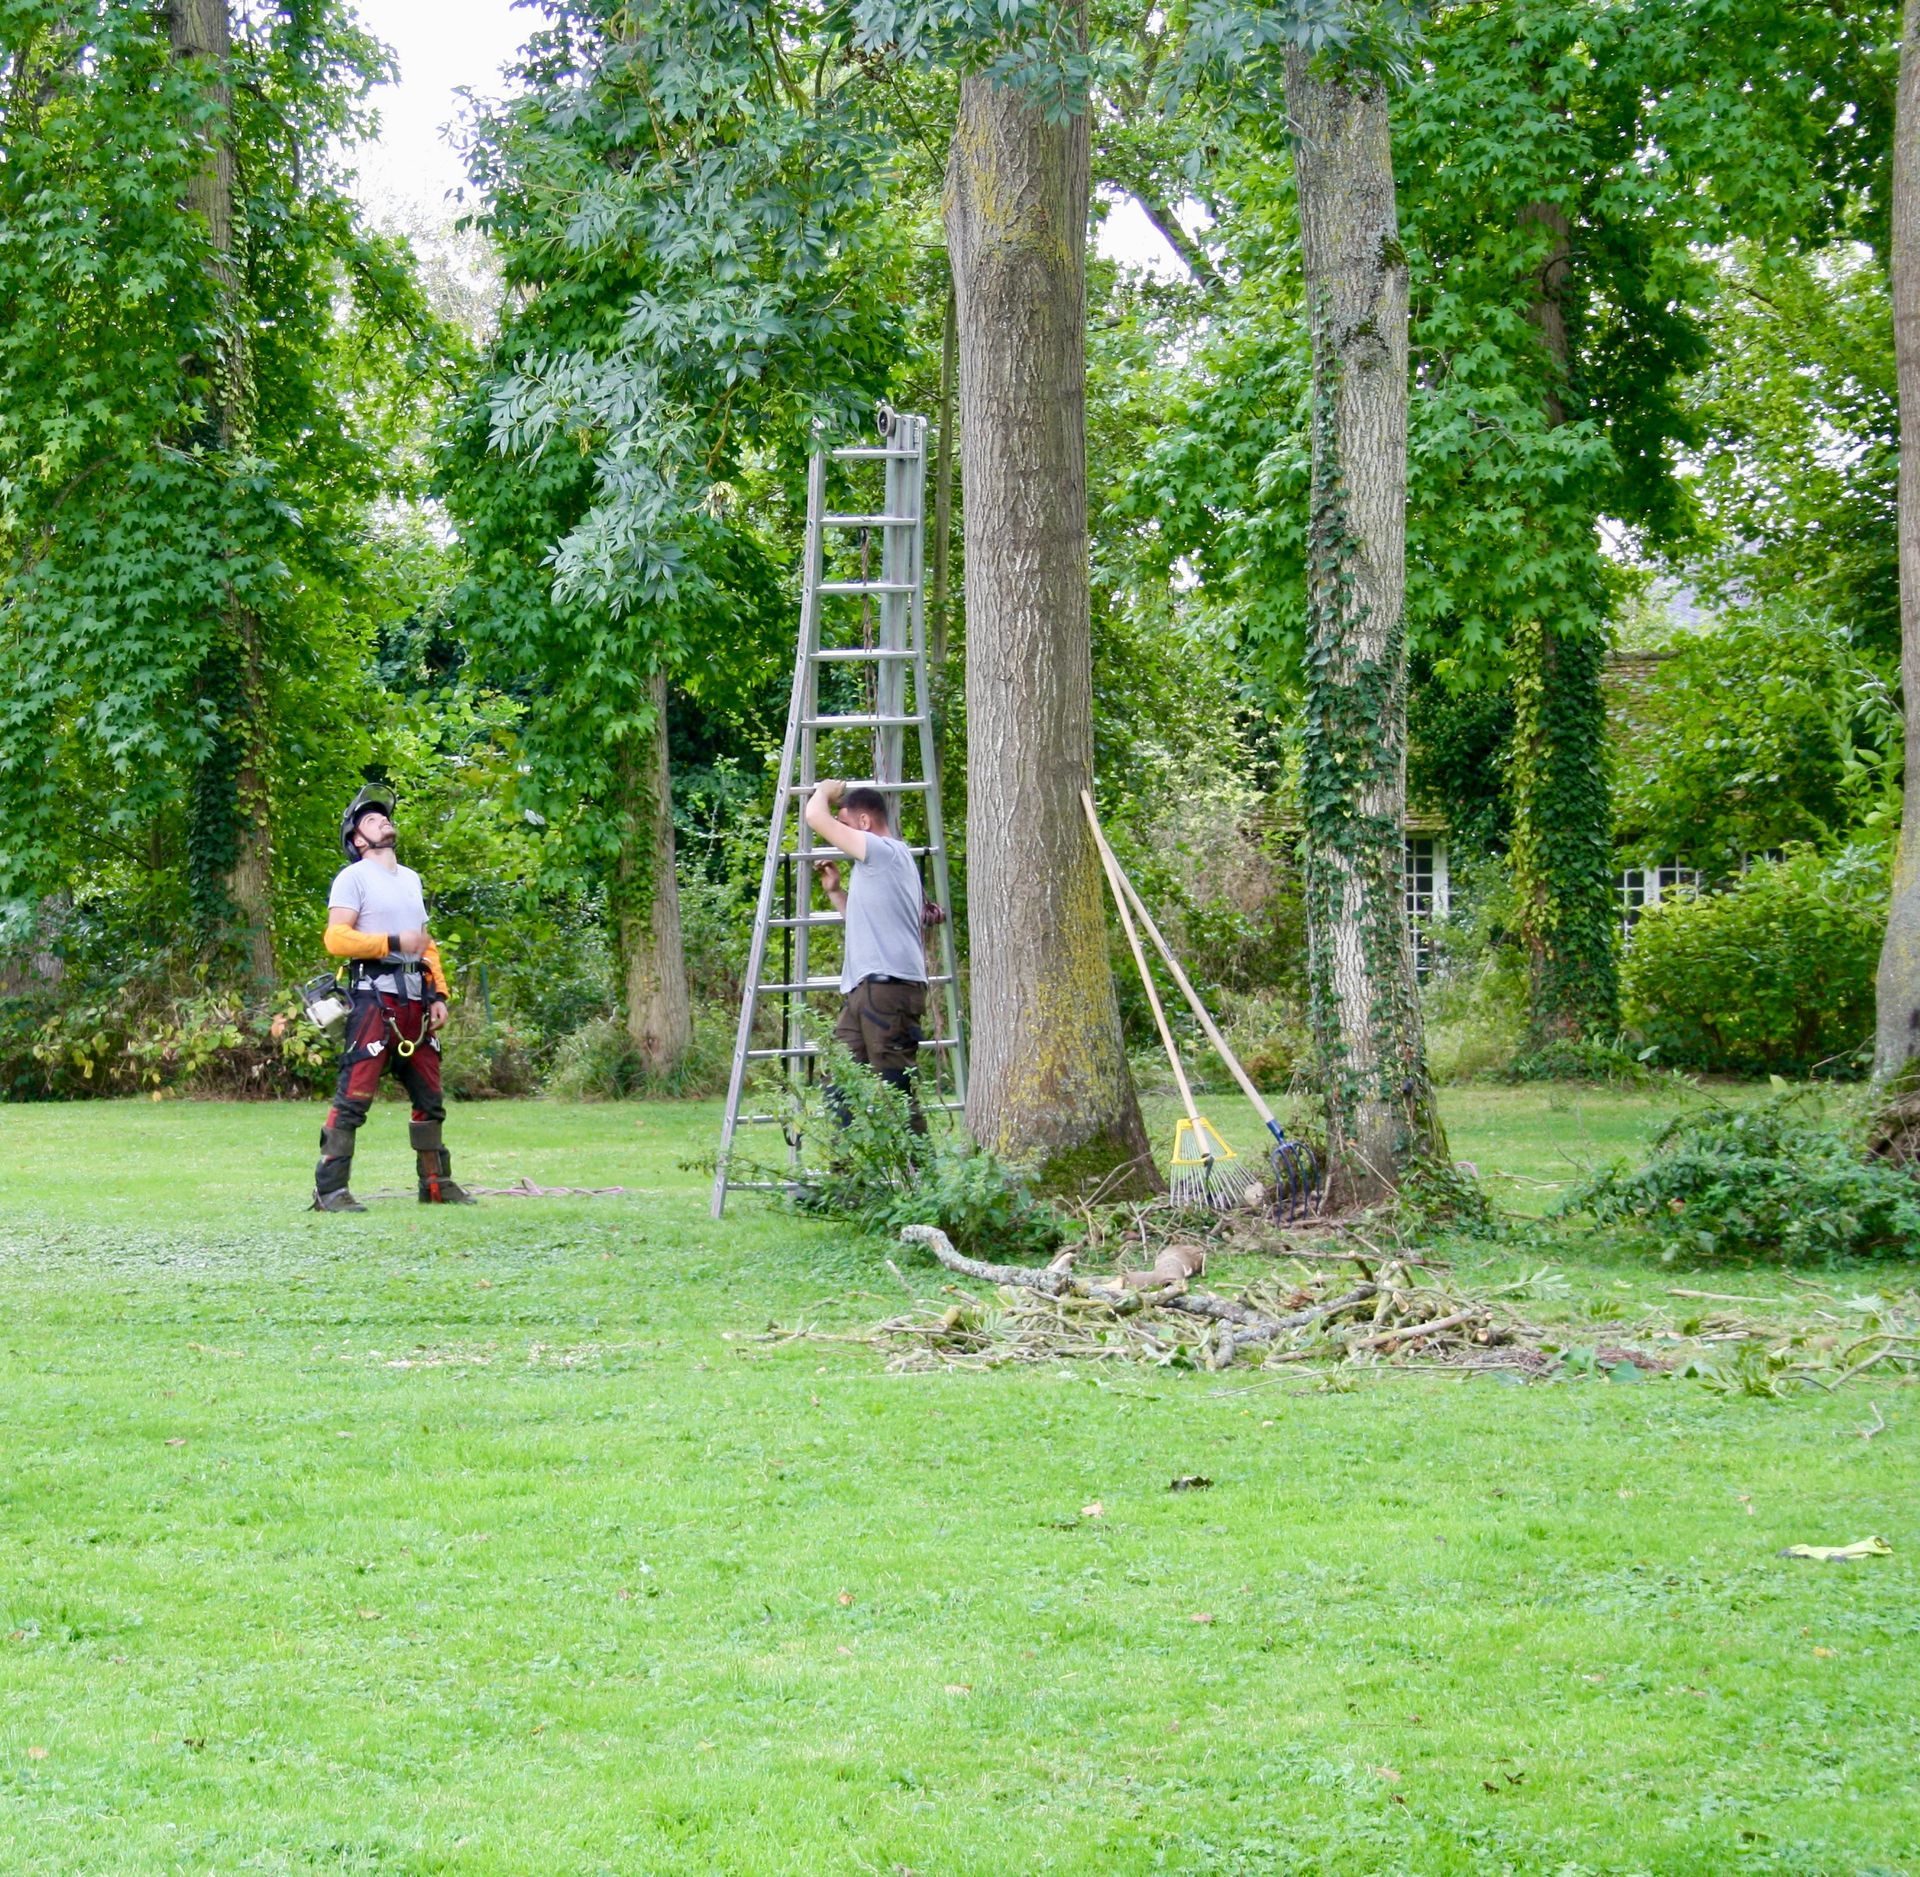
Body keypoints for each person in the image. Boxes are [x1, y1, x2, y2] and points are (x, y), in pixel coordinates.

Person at [311, 786, 476, 1210]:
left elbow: (426, 944)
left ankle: (436, 1185)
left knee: (430, 1097)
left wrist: (439, 993)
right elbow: (336, 937)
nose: (382, 819)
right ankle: (330, 1191)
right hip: (372, 1001)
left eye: (383, 816)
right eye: (370, 819)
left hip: (416, 1004)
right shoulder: (352, 878)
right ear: (357, 840)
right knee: (354, 1097)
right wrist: (390, 942)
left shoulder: (411, 879)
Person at [804, 778, 932, 1132]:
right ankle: (848, 1177)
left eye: (844, 825)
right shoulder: (876, 865)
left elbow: (815, 816)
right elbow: (866, 922)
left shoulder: (883, 851)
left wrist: (825, 792)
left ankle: (922, 1178)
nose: (841, 835)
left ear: (864, 823)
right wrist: (835, 892)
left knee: (896, 1090)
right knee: (838, 1081)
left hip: (888, 990)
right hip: (868, 991)